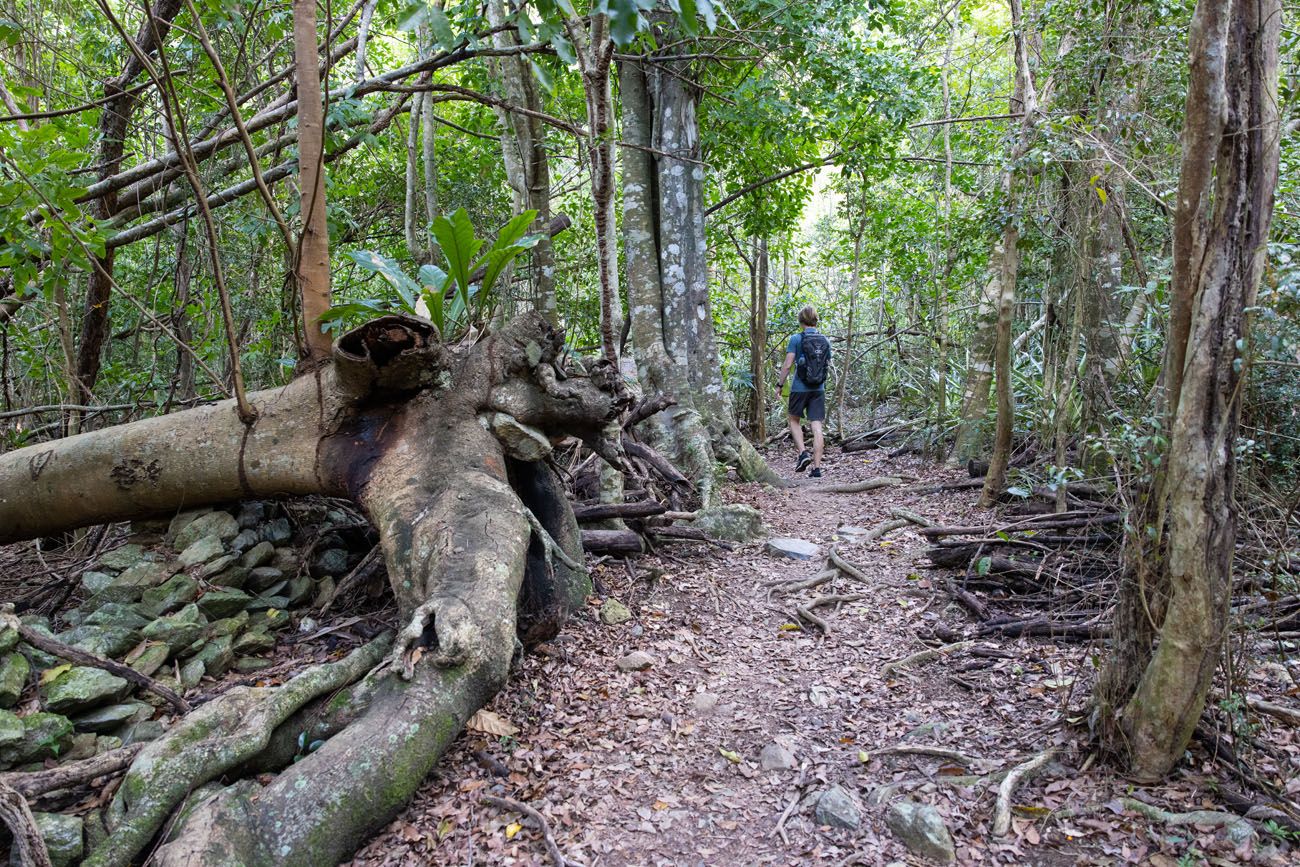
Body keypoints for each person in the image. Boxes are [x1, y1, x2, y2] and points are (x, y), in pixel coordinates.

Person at [775, 305, 831, 477]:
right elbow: (826, 363)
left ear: (801, 321)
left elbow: (788, 365)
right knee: (817, 425)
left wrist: (780, 385)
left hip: (799, 388)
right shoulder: (825, 340)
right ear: (815, 320)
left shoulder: (796, 339)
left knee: (794, 420)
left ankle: (803, 453)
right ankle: (817, 469)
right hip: (818, 388)